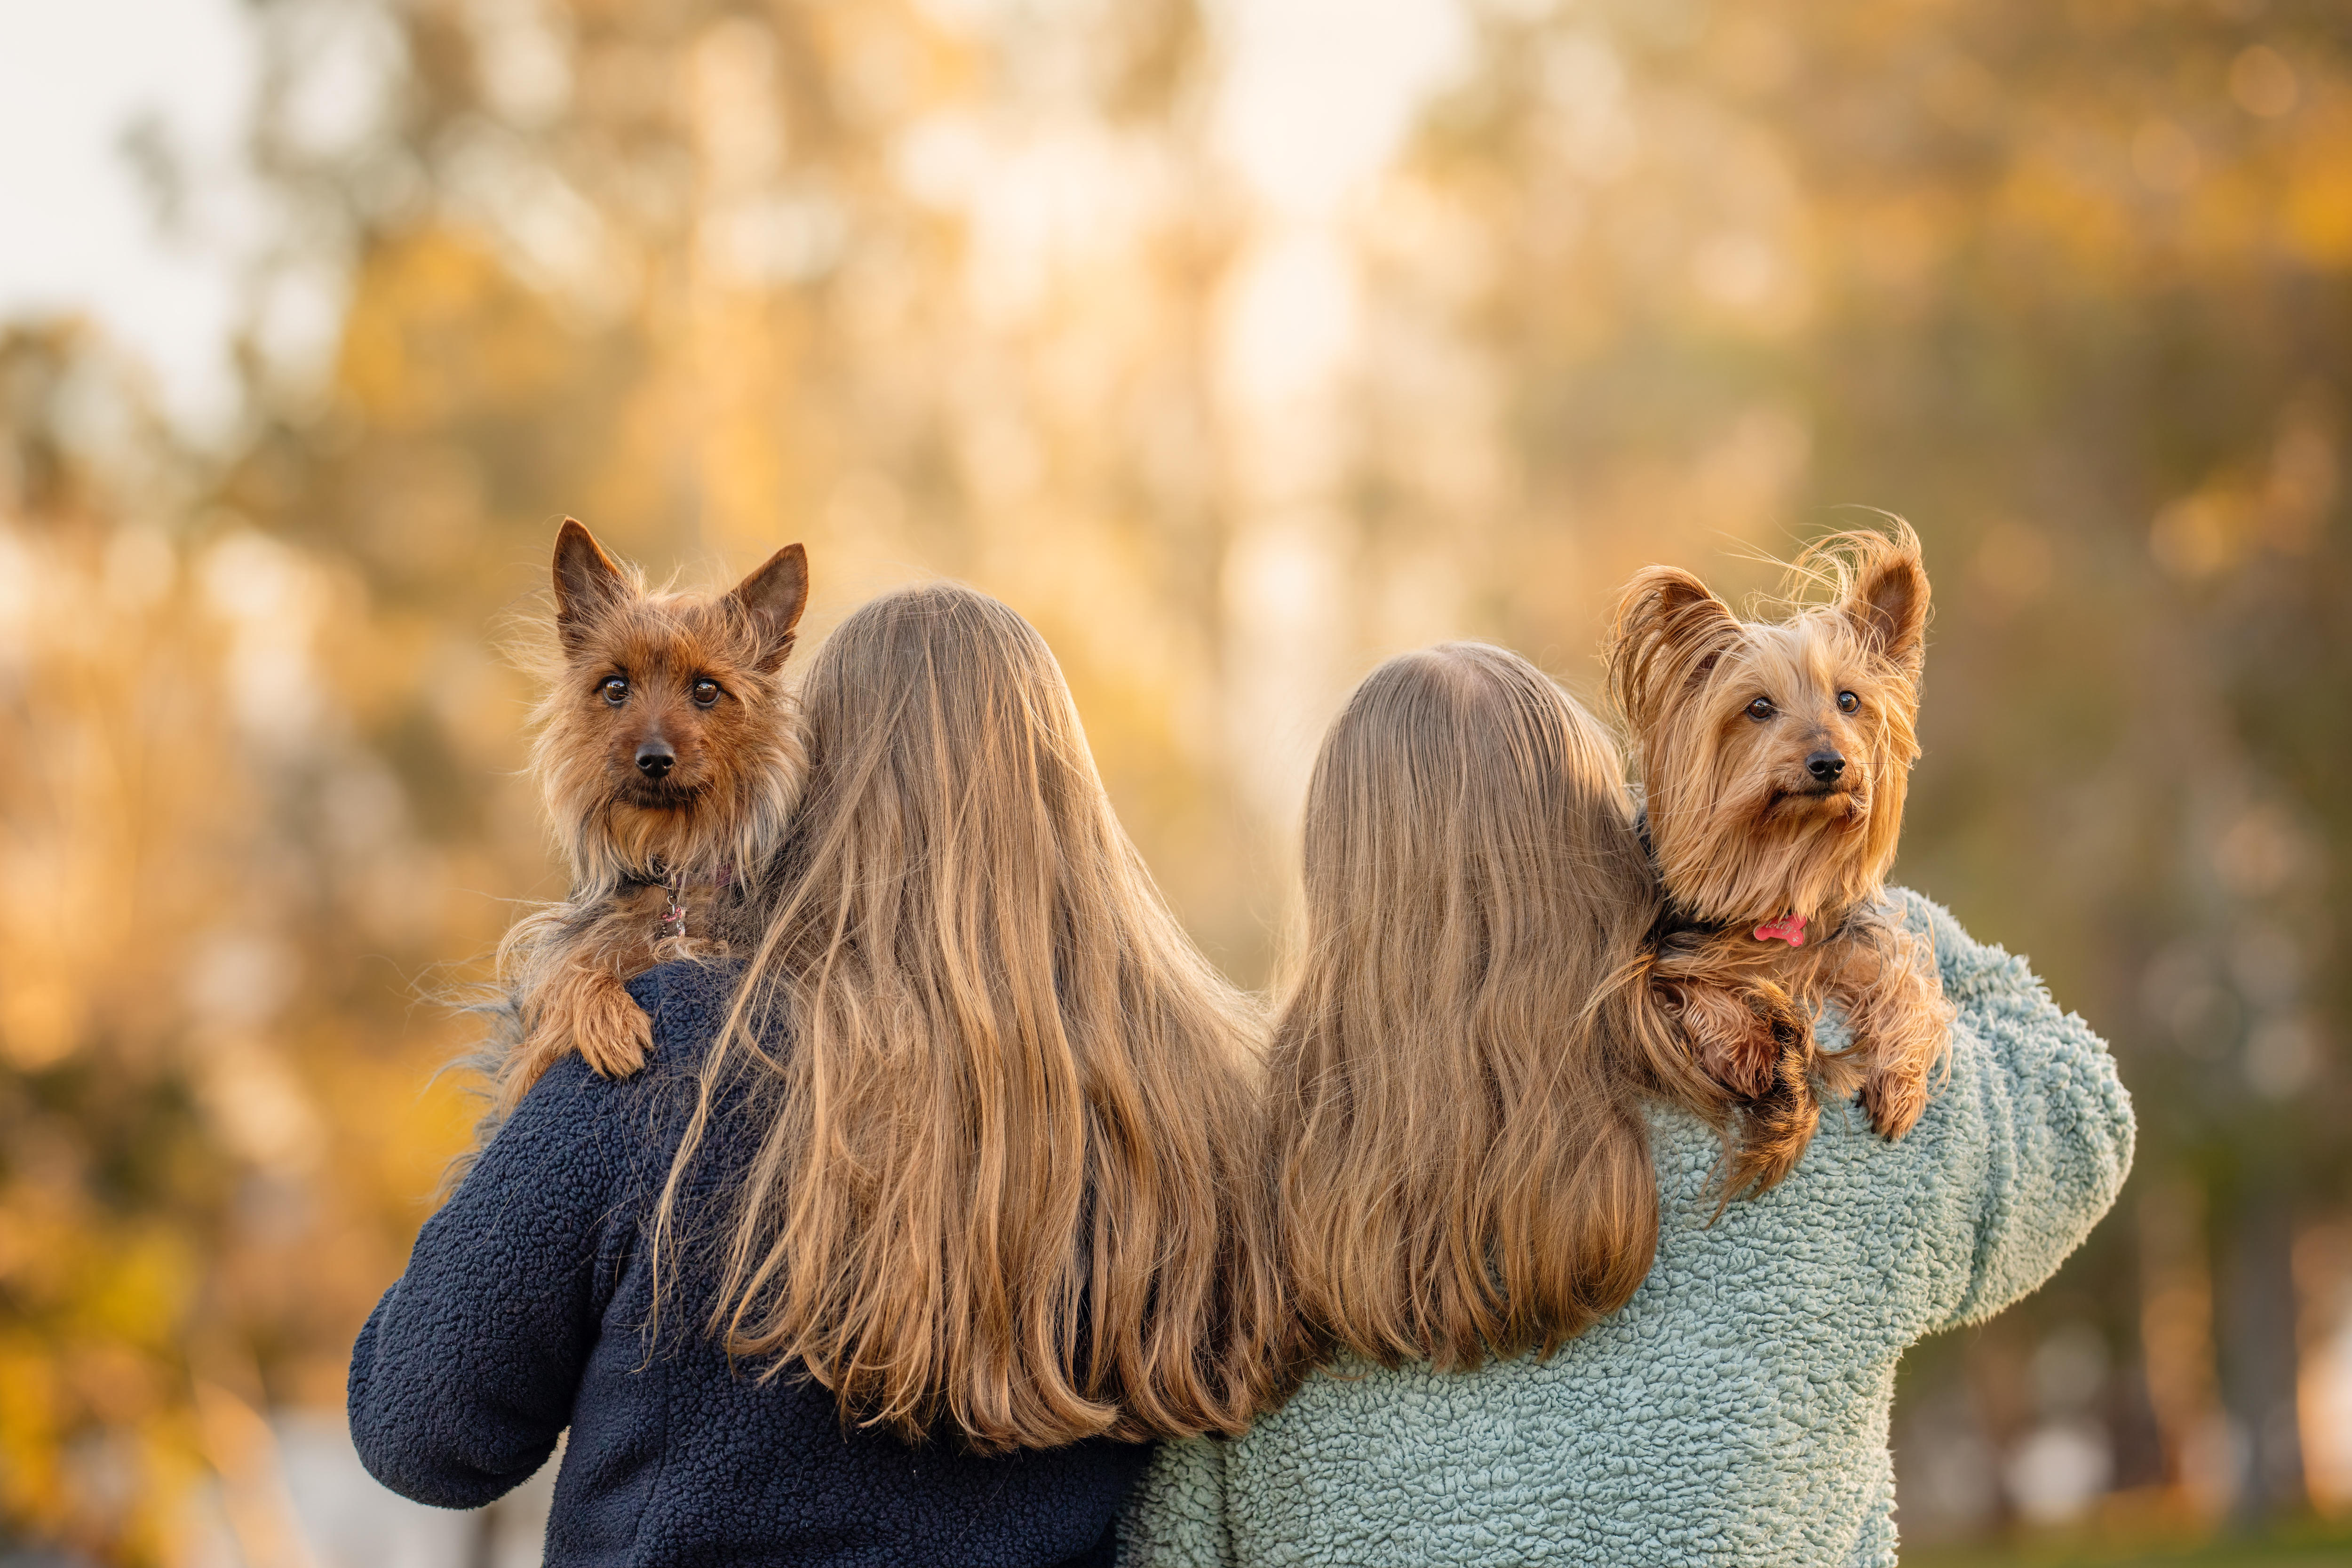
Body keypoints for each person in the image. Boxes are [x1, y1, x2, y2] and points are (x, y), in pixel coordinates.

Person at [1121, 642, 2134, 1568]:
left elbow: (1170, 1540)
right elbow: (2081, 1110)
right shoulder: (1798, 1105)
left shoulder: (1240, 1184)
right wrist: (1837, 881)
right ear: (1607, 845)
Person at [350, 584, 1282, 1566]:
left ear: (811, 771)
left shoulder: (669, 1048)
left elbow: (421, 1427)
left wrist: (529, 1095)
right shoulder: (1192, 1105)